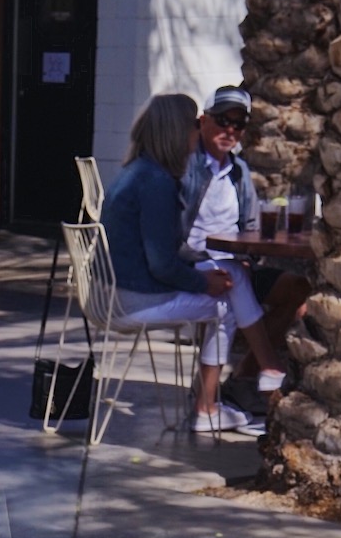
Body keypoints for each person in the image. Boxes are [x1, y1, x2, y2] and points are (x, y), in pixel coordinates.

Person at [101, 91, 282, 438]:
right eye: (193, 125)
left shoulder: (138, 172)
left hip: (117, 292)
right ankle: (220, 399)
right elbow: (162, 264)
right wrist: (204, 283)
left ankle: (221, 398)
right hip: (132, 300)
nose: (197, 132)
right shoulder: (156, 183)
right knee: (227, 294)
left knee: (231, 277)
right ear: (175, 131)